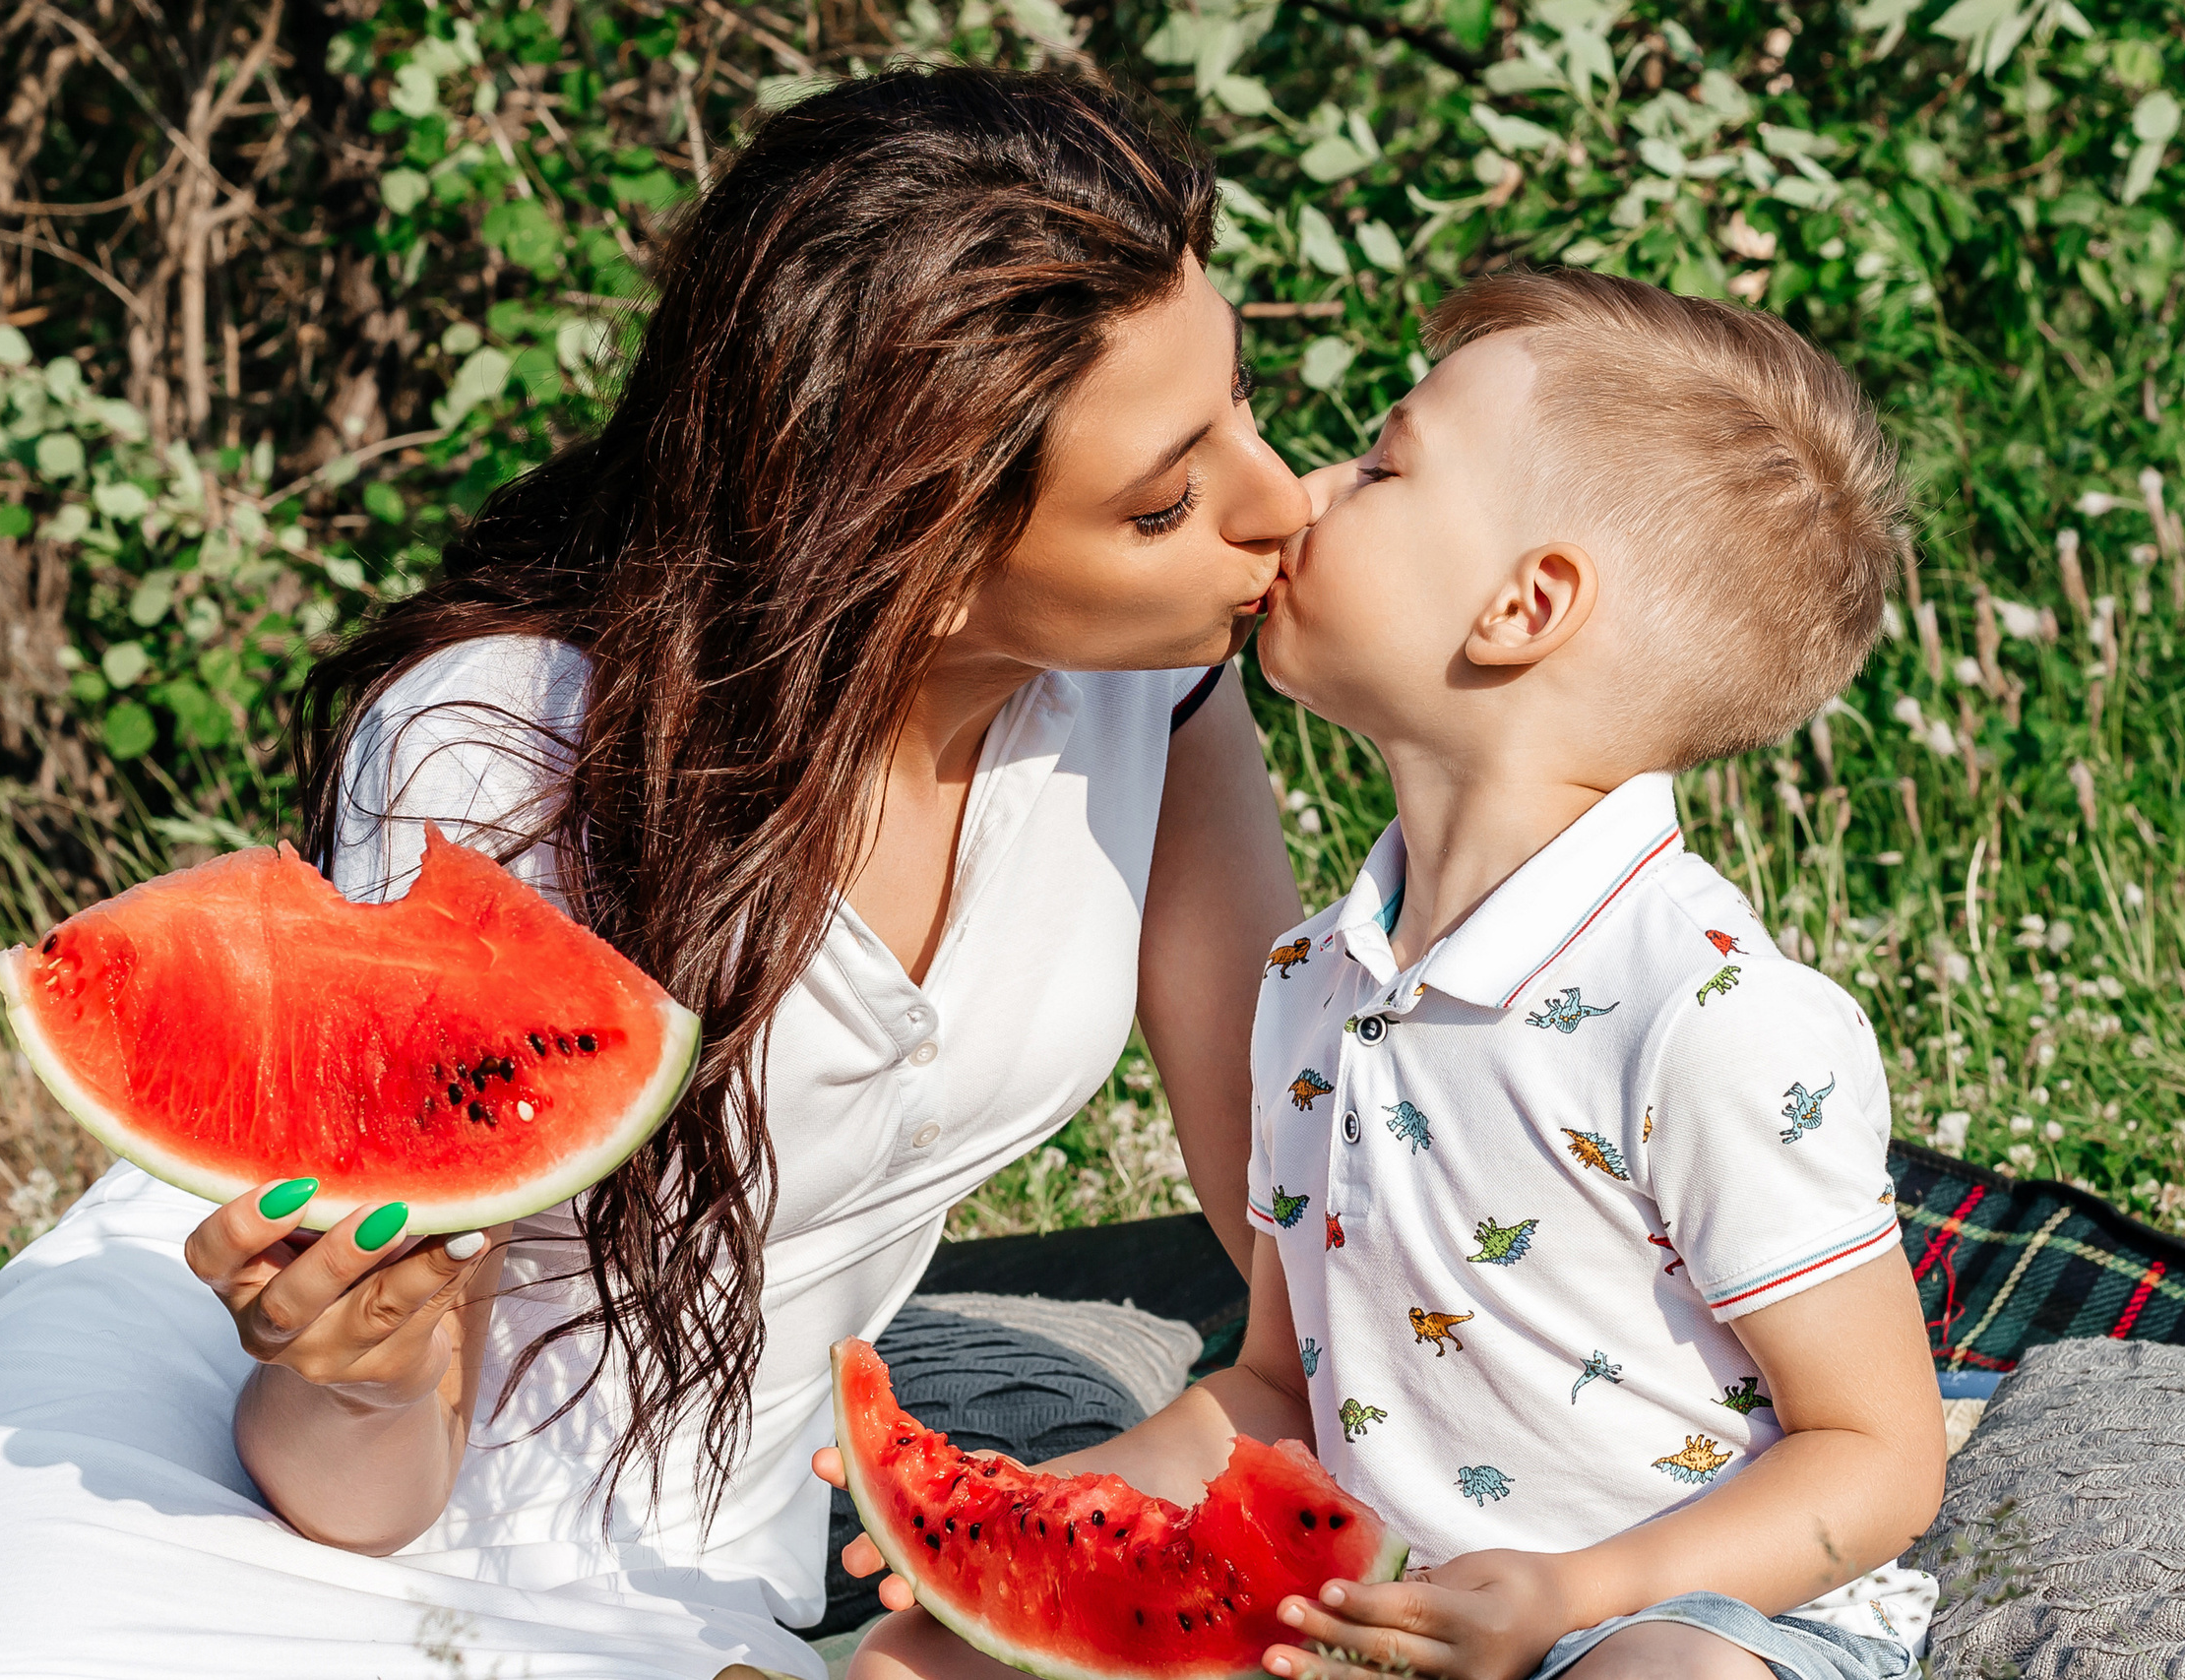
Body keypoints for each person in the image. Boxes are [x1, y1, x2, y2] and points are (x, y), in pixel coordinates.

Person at [0, 67, 1308, 1680]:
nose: (1279, 498)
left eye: (1240, 401)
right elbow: (360, 1492)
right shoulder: (506, 756)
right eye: (1167, 500)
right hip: (245, 1489)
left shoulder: (1159, 685)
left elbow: (1309, 1236)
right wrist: (356, 1363)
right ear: (910, 553)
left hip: (695, 1556)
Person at [831, 269, 1947, 1680]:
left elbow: (1879, 1454)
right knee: (913, 1661)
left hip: (1692, 1608)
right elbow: (1276, 1388)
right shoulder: (1315, 981)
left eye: (1381, 464)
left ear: (1524, 605)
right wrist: (1028, 1513)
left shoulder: (1708, 1016)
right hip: (1362, 1619)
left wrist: (1576, 1597)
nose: (1301, 492)